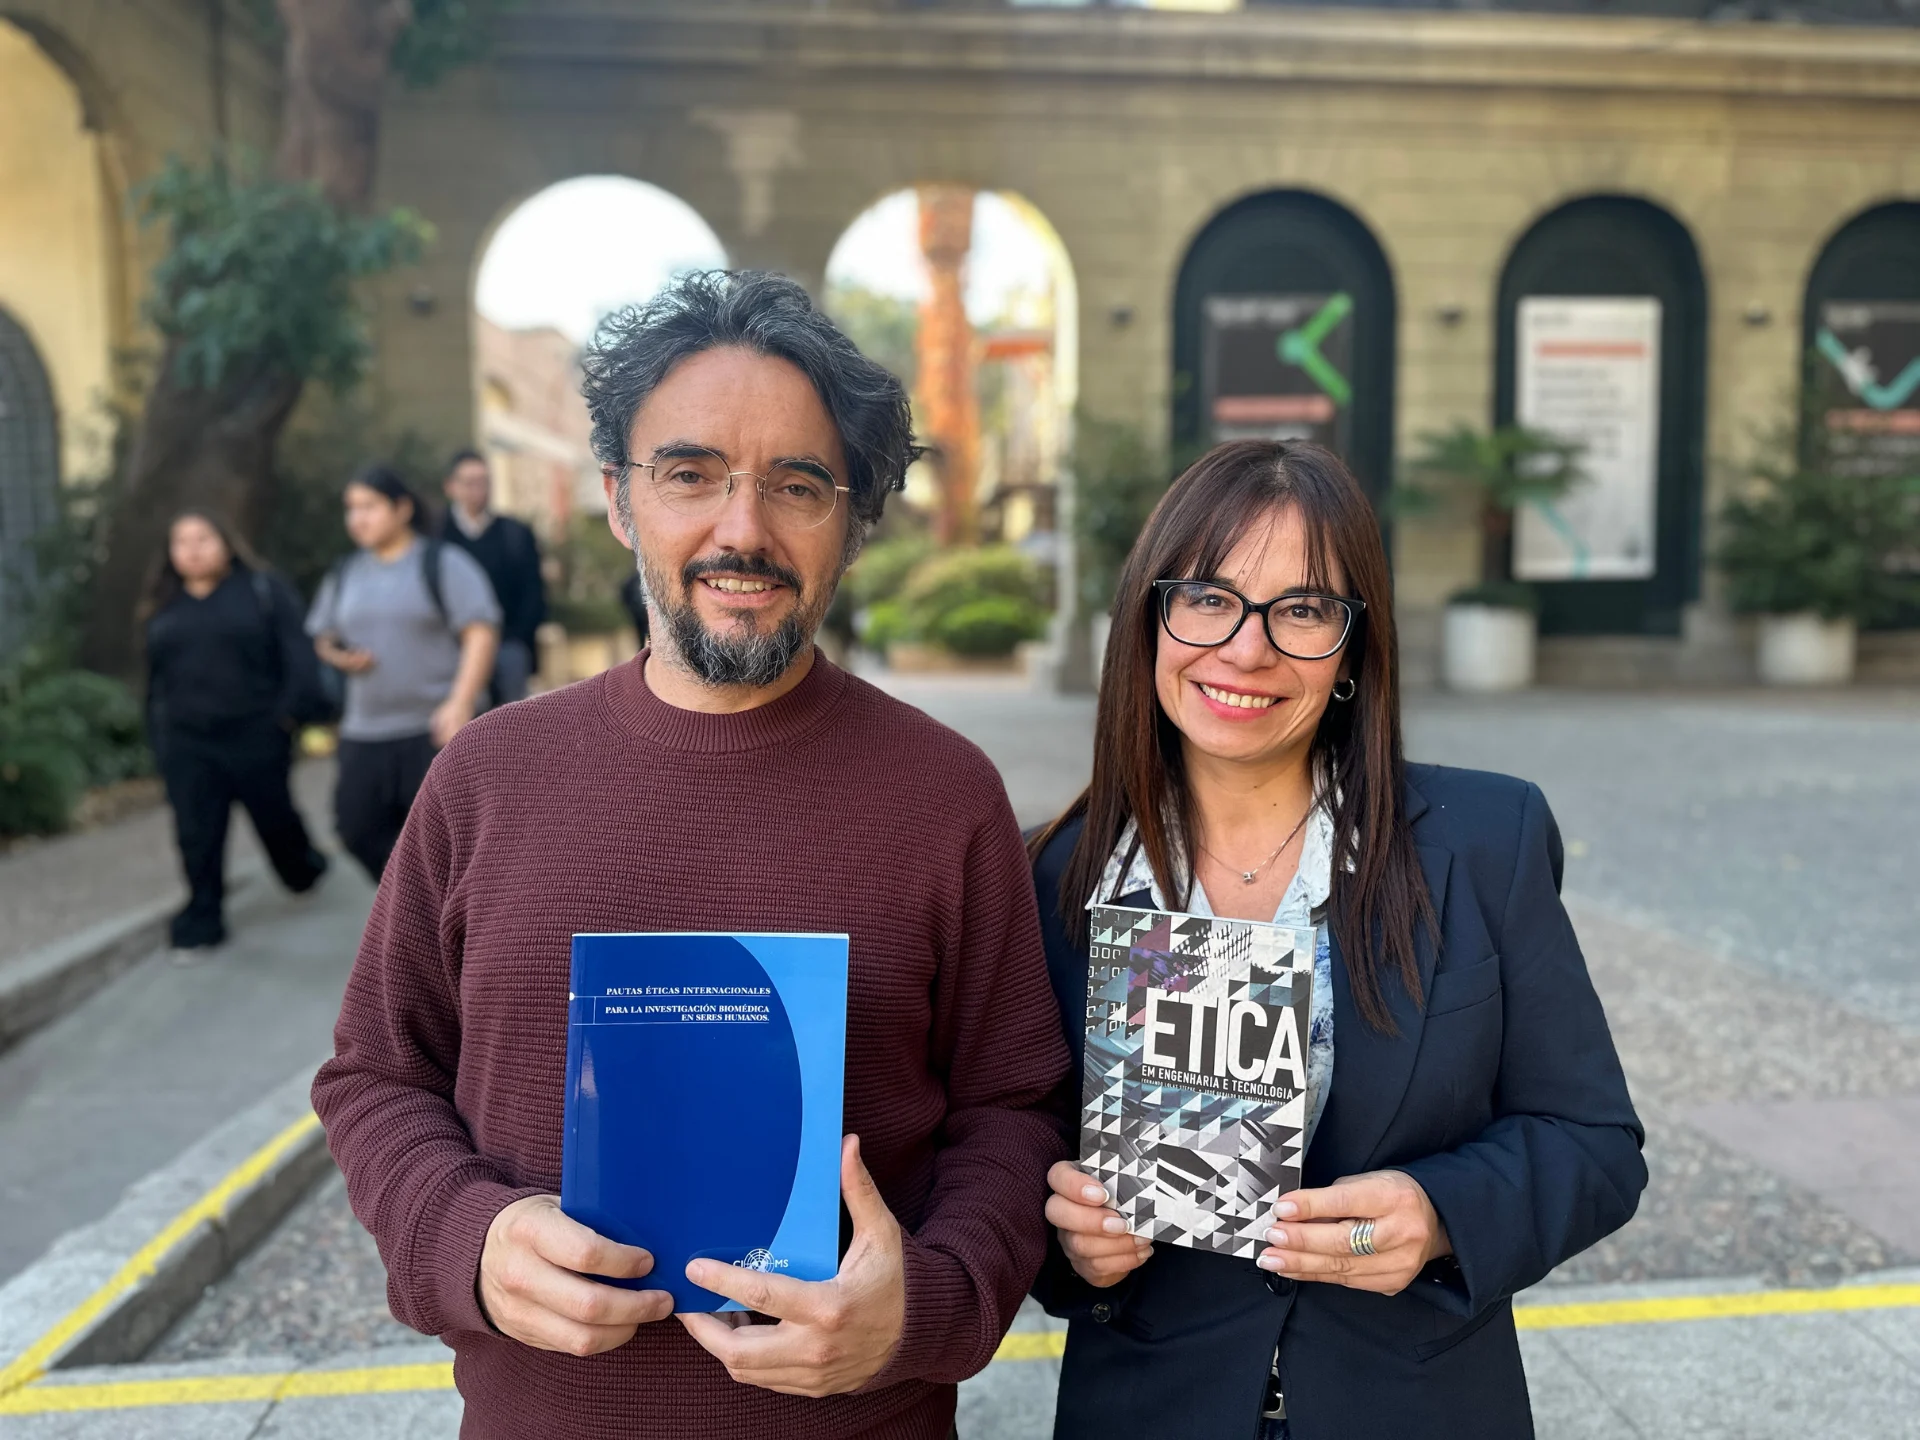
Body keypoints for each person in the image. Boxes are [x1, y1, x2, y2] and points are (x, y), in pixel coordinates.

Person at [310, 270, 1072, 1440]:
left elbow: (1015, 1109)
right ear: (619, 500)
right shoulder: (487, 778)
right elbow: (376, 1075)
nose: (742, 530)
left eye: (797, 486)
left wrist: (927, 1302)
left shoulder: (944, 796)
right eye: (690, 474)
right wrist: (471, 1238)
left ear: (854, 523)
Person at [1028, 440, 1645, 1440]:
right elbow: (1006, 1156)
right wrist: (1063, 1238)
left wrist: (1440, 1212)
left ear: (1356, 649)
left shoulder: (1483, 842)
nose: (1246, 649)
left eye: (1303, 610)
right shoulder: (1054, 879)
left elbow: (1595, 1145)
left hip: (1415, 1406)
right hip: (1150, 1408)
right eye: (1207, 596)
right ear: (1147, 619)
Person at [141, 511, 330, 954]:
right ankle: (203, 918)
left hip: (256, 732)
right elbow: (155, 682)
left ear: (226, 543)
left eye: (203, 538)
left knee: (274, 818)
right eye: (181, 541)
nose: (192, 548)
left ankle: (301, 867)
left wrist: (288, 716)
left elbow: (297, 654)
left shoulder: (263, 591)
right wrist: (158, 738)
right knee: (196, 831)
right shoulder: (164, 605)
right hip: (188, 743)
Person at [306, 465, 500, 882]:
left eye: (369, 507)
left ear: (402, 509)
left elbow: (480, 632)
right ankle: (415, 906)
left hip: (433, 730)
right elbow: (323, 636)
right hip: (366, 729)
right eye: (351, 508)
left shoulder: (442, 563)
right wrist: (340, 657)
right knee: (355, 829)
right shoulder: (345, 573)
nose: (357, 518)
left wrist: (461, 701)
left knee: (444, 840)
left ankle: (436, 922)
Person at [438, 449, 547, 705]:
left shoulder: (515, 534)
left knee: (508, 726)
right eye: (469, 482)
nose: (479, 489)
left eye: (484, 482)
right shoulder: (435, 534)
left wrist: (519, 636)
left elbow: (534, 593)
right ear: (451, 487)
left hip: (507, 644)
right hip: (448, 648)